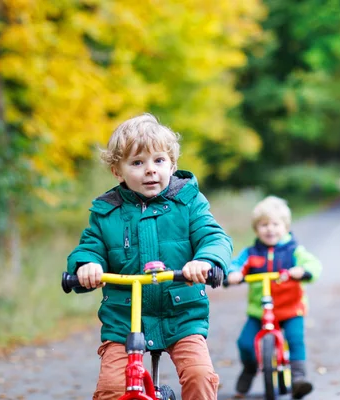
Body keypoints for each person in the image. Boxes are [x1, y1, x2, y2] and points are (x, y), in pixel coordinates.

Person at [66, 113, 233, 400]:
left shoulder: (188, 202)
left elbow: (214, 237)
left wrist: (205, 261)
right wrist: (87, 265)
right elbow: (90, 246)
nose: (150, 170)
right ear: (118, 172)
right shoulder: (107, 212)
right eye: (137, 163)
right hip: (124, 319)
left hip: (181, 314)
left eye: (158, 161)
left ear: (172, 164)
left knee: (199, 376)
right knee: (112, 389)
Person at [226, 195, 322, 399]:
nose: (270, 229)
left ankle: (298, 378)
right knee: (245, 343)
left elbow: (313, 265)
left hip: (290, 308)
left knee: (295, 339)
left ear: (286, 227)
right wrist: (233, 274)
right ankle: (250, 369)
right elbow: (236, 265)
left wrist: (302, 270)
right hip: (260, 310)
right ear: (256, 229)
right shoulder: (251, 253)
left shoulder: (293, 250)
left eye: (275, 224)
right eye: (263, 225)